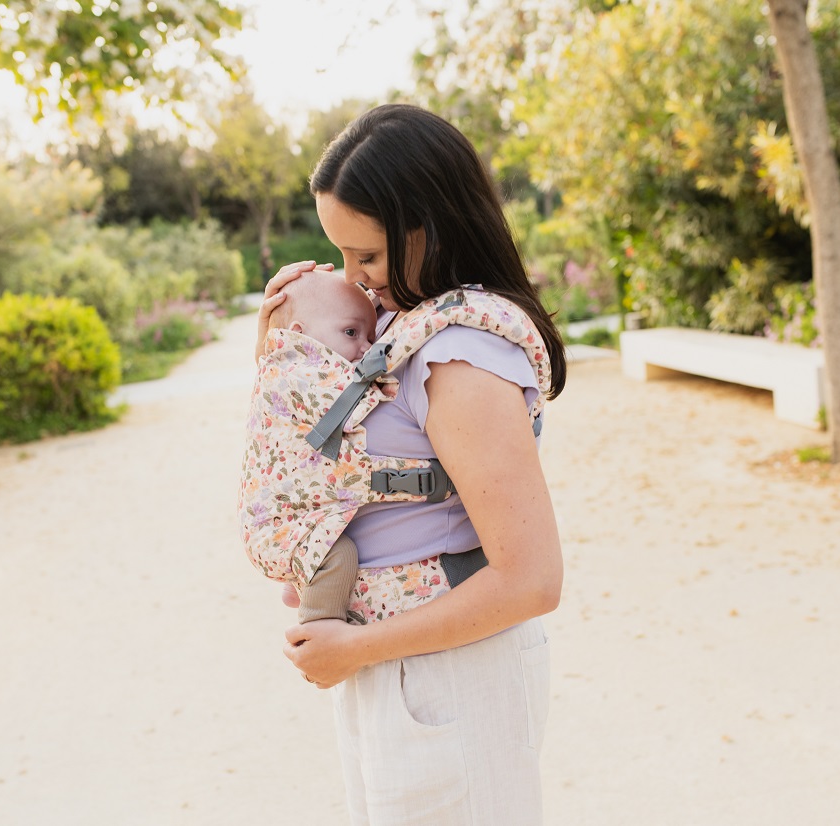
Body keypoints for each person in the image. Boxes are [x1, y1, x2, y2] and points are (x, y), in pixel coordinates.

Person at [256, 104, 568, 825]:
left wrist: (356, 647)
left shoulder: (461, 358)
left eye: (368, 255)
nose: (355, 279)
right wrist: (280, 349)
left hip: (446, 671)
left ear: (434, 224)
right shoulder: (404, 325)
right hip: (397, 662)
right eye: (341, 256)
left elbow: (531, 579)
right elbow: (312, 458)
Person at [251, 269, 378, 623]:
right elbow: (350, 409)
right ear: (299, 336)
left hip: (293, 512)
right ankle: (318, 630)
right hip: (284, 520)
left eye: (370, 335)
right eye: (351, 332)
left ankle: (300, 576)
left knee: (331, 531)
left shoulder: (283, 365)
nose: (366, 348)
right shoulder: (304, 372)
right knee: (340, 556)